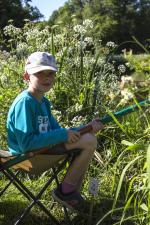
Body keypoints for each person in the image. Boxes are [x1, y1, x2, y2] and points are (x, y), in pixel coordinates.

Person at [7, 51, 104, 213]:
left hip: (42, 151)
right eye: (39, 73)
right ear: (26, 76)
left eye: (51, 73)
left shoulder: (43, 102)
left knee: (89, 136)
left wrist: (86, 127)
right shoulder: (25, 102)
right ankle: (66, 192)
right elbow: (26, 144)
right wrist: (64, 134)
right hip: (27, 158)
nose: (47, 78)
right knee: (88, 141)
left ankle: (71, 193)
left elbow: (57, 131)